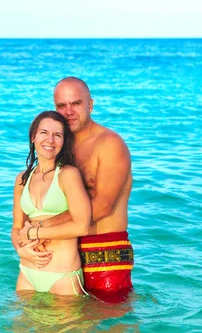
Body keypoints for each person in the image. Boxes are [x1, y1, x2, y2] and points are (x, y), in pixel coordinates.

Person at [17, 77, 134, 303]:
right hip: (62, 254)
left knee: (110, 323)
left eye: (76, 104)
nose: (68, 111)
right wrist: (24, 244)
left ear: (90, 105)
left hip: (103, 252)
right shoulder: (58, 148)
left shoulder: (109, 144)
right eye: (62, 106)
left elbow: (102, 205)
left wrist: (40, 227)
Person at [11, 111, 92, 296]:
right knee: (18, 326)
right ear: (33, 137)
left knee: (66, 327)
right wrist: (21, 251)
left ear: (63, 142)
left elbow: (82, 226)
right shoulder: (22, 180)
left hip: (62, 276)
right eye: (44, 133)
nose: (50, 140)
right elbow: (16, 227)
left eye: (57, 135)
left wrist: (35, 232)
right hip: (27, 273)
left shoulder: (68, 175)